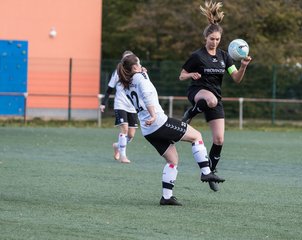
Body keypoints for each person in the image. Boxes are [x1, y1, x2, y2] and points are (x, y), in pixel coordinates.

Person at [118, 54, 225, 206]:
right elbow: (147, 96)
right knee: (196, 136)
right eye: (139, 64)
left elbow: (142, 92)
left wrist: (144, 74)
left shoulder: (127, 83)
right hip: (159, 122)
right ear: (135, 67)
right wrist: (154, 115)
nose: (141, 66)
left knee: (172, 160)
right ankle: (206, 172)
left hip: (148, 130)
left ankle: (166, 197)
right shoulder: (140, 79)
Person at [179, 0, 252, 191]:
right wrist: (191, 74)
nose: (215, 42)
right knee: (209, 99)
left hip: (215, 99)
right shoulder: (197, 56)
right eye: (212, 39)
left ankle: (209, 172)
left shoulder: (224, 56)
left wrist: (243, 67)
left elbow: (236, 78)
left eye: (218, 39)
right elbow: (181, 75)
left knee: (219, 139)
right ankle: (191, 113)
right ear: (206, 38)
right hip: (198, 92)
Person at [100, 51, 138, 163]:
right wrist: (103, 103)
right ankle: (123, 156)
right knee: (124, 129)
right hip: (120, 104)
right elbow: (109, 89)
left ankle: (117, 145)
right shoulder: (117, 73)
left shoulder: (137, 74)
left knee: (131, 135)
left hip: (132, 107)